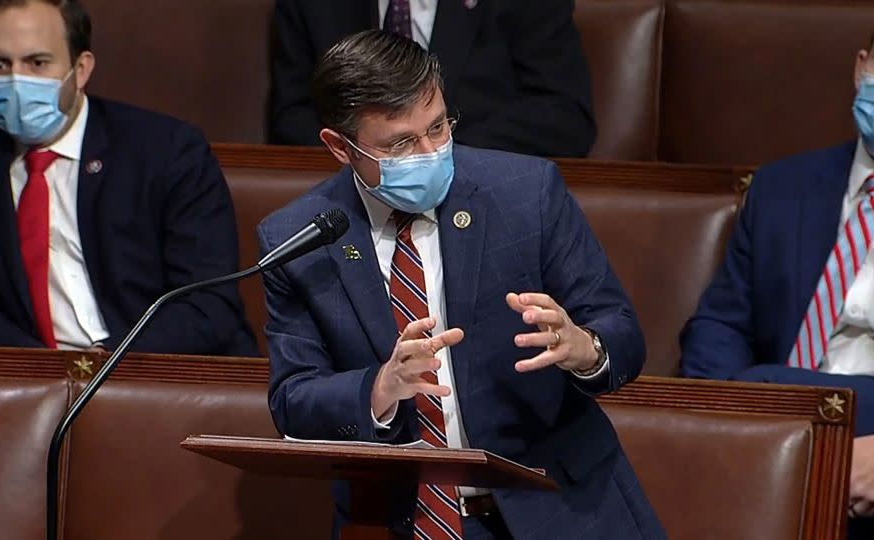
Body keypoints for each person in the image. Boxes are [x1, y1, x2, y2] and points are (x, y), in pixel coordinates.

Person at [259, 30, 663, 539]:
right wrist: (379, 389)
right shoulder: (299, 236)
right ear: (340, 147)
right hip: (398, 522)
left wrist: (584, 347)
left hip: (557, 512)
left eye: (439, 127)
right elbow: (294, 400)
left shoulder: (526, 193)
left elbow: (623, 334)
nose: (430, 152)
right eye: (402, 143)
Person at [0, 0, 258, 356]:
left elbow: (207, 305)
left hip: (164, 378)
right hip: (38, 388)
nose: (17, 82)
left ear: (81, 69)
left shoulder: (168, 152)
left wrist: (105, 367)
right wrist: (48, 378)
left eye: (37, 63)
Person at [680, 33, 874, 537]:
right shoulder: (781, 187)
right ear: (862, 68)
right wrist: (732, 432)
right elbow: (719, 327)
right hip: (774, 426)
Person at [268, 0, 596, 158]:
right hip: (356, 195)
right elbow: (291, 116)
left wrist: (434, 153)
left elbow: (565, 117)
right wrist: (372, 161)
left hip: (478, 188)